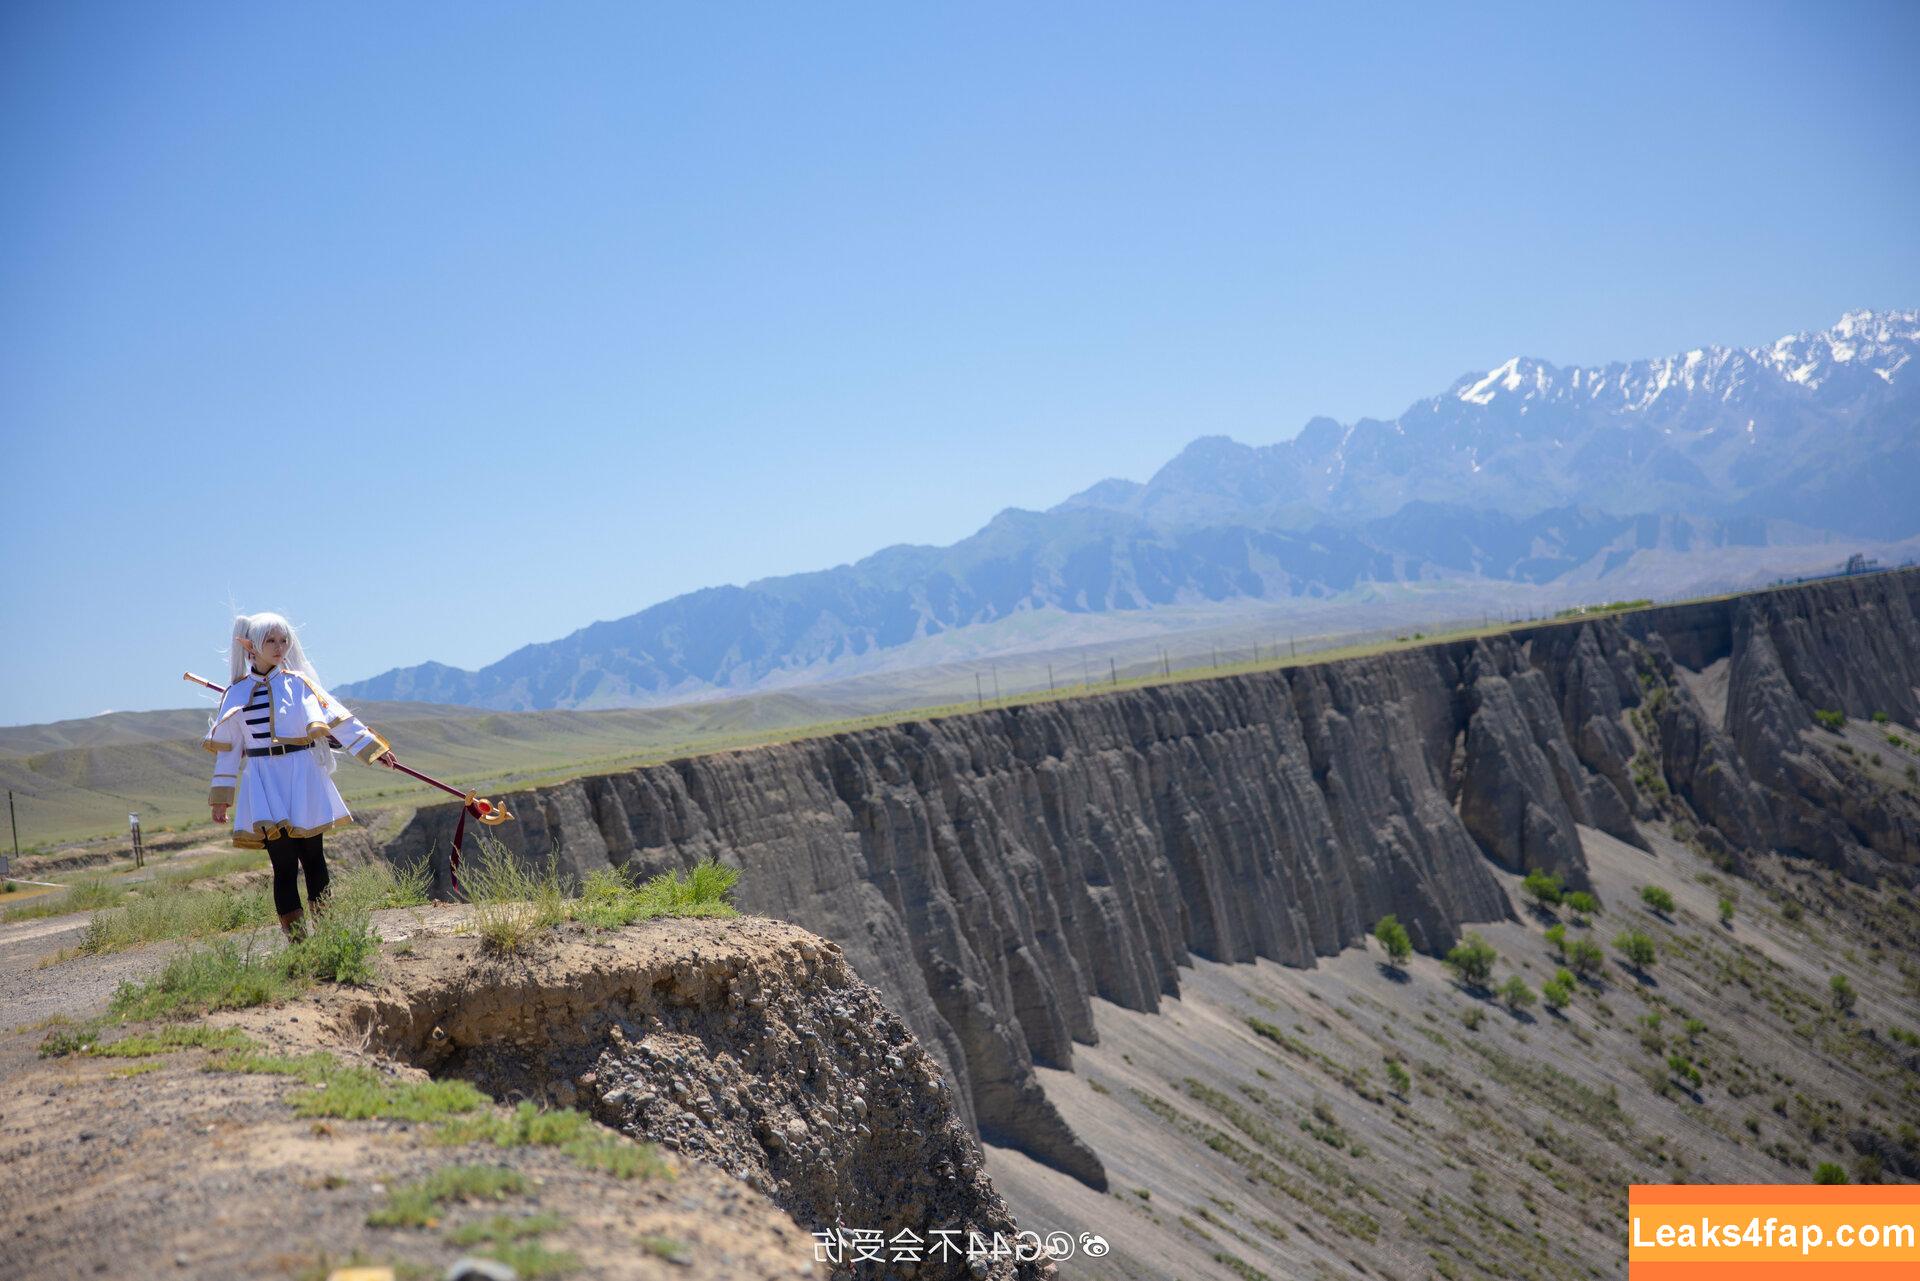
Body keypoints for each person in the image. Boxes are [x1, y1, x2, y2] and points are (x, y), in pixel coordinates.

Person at [204, 612, 394, 941]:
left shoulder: (299, 684)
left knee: (314, 858)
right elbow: (229, 751)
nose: (280, 648)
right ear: (251, 647)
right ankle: (299, 944)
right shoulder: (235, 695)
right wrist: (222, 799)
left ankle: (331, 936)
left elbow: (339, 718)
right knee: (284, 866)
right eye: (271, 641)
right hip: (263, 783)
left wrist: (373, 749)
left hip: (301, 778)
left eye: (283, 640)